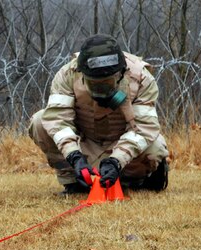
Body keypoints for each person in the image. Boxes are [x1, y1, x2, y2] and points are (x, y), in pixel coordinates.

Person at [28, 34, 169, 194]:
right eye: (94, 83)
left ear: (121, 73)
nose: (101, 89)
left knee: (155, 147)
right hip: (84, 142)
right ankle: (73, 181)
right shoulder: (67, 74)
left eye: (107, 82)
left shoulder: (142, 79)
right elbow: (57, 120)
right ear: (82, 73)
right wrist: (74, 156)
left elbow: (143, 128)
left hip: (123, 143)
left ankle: (135, 179)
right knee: (40, 121)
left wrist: (116, 161)